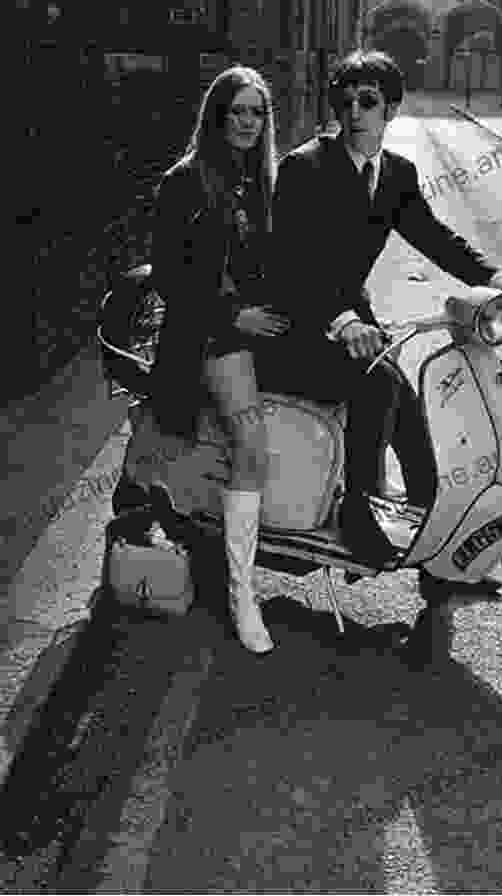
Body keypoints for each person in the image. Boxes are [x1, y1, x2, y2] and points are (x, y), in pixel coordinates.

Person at [258, 50, 502, 563]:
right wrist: (341, 322)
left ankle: (438, 538)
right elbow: (290, 266)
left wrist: (495, 277)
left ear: (390, 110)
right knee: (379, 383)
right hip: (290, 327)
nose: (354, 111)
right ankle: (361, 523)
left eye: (368, 101)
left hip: (348, 324)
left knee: (407, 402)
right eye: (345, 101)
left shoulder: (396, 174)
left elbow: (435, 237)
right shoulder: (305, 168)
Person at [149, 67, 290, 654]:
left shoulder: (260, 182)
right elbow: (169, 278)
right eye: (237, 111)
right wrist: (234, 317)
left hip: (252, 324)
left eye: (257, 113)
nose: (248, 123)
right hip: (207, 333)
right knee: (253, 447)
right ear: (216, 116)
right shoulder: (185, 182)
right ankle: (242, 595)